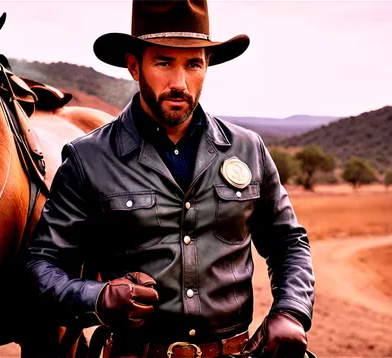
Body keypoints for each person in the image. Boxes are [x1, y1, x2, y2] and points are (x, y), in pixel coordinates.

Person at [23, 1, 315, 357]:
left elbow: (289, 243)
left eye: (193, 63)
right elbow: (40, 267)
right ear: (134, 66)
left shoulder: (248, 149)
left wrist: (291, 311)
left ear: (206, 66)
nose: (179, 83)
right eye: (163, 62)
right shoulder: (87, 159)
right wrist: (98, 298)